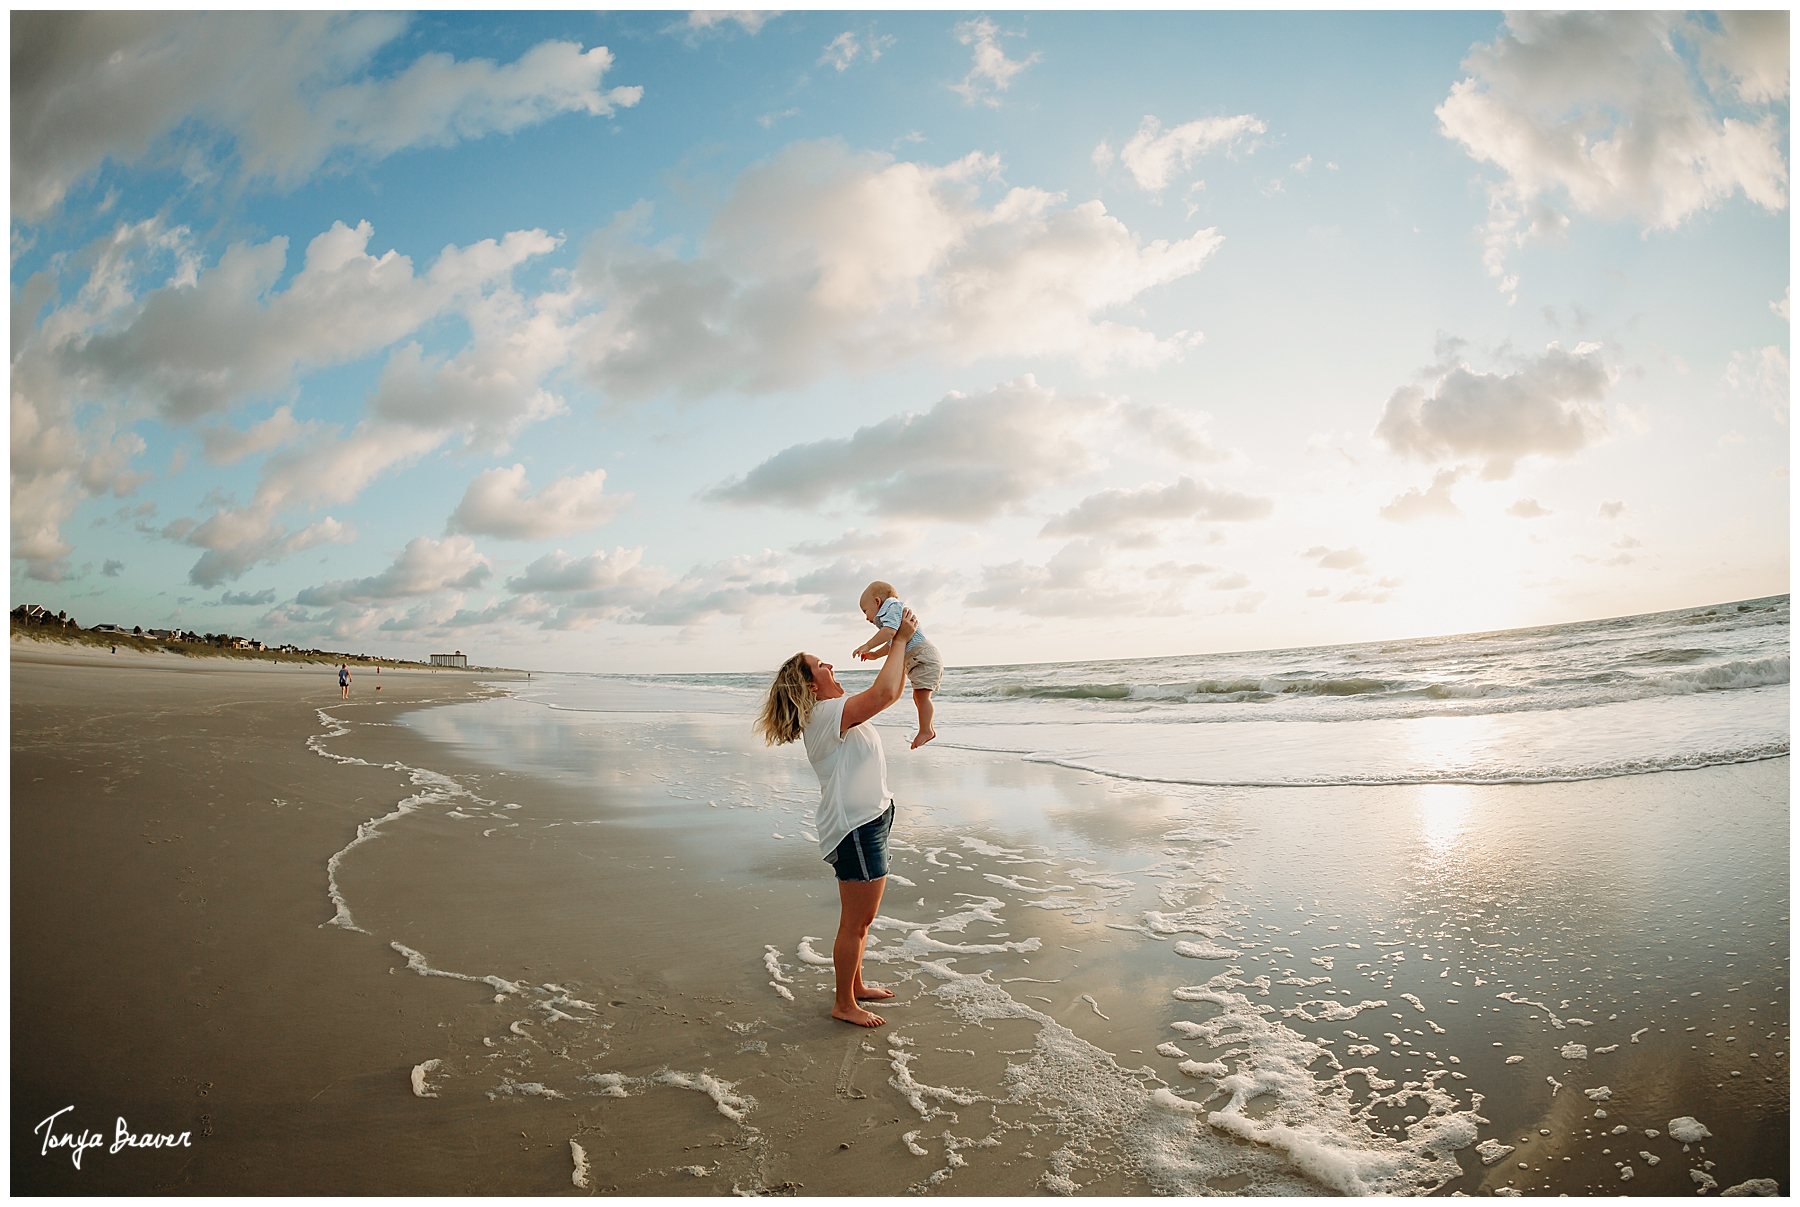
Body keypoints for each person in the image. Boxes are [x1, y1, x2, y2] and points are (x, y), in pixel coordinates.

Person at [757, 606, 919, 1027]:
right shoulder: (827, 715)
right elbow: (883, 695)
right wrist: (897, 640)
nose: (829, 664)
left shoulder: (836, 710)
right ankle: (844, 1003)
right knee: (857, 923)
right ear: (811, 685)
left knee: (861, 922)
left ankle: (857, 987)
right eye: (819, 664)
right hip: (855, 828)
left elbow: (891, 692)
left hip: (870, 819)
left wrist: (903, 646)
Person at [852, 581, 941, 749]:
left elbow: (890, 633)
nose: (866, 617)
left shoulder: (891, 607)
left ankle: (926, 730)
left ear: (878, 602)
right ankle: (927, 728)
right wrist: (875, 654)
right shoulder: (892, 615)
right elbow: (892, 642)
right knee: (918, 697)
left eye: (865, 611)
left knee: (922, 697)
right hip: (917, 657)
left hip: (922, 656)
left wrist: (867, 645)